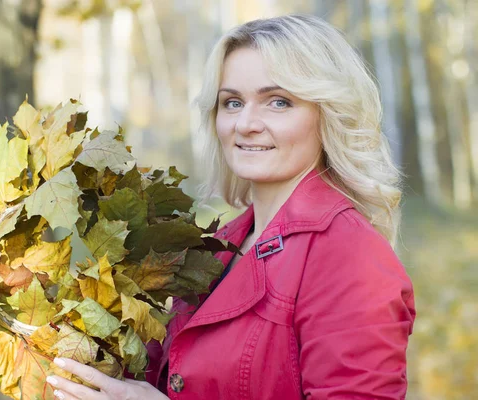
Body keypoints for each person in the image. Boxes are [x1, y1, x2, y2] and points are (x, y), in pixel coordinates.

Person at [46, 14, 416, 400]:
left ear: (328, 114)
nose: (246, 123)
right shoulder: (218, 245)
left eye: (278, 102)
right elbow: (143, 374)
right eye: (233, 102)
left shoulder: (349, 255)